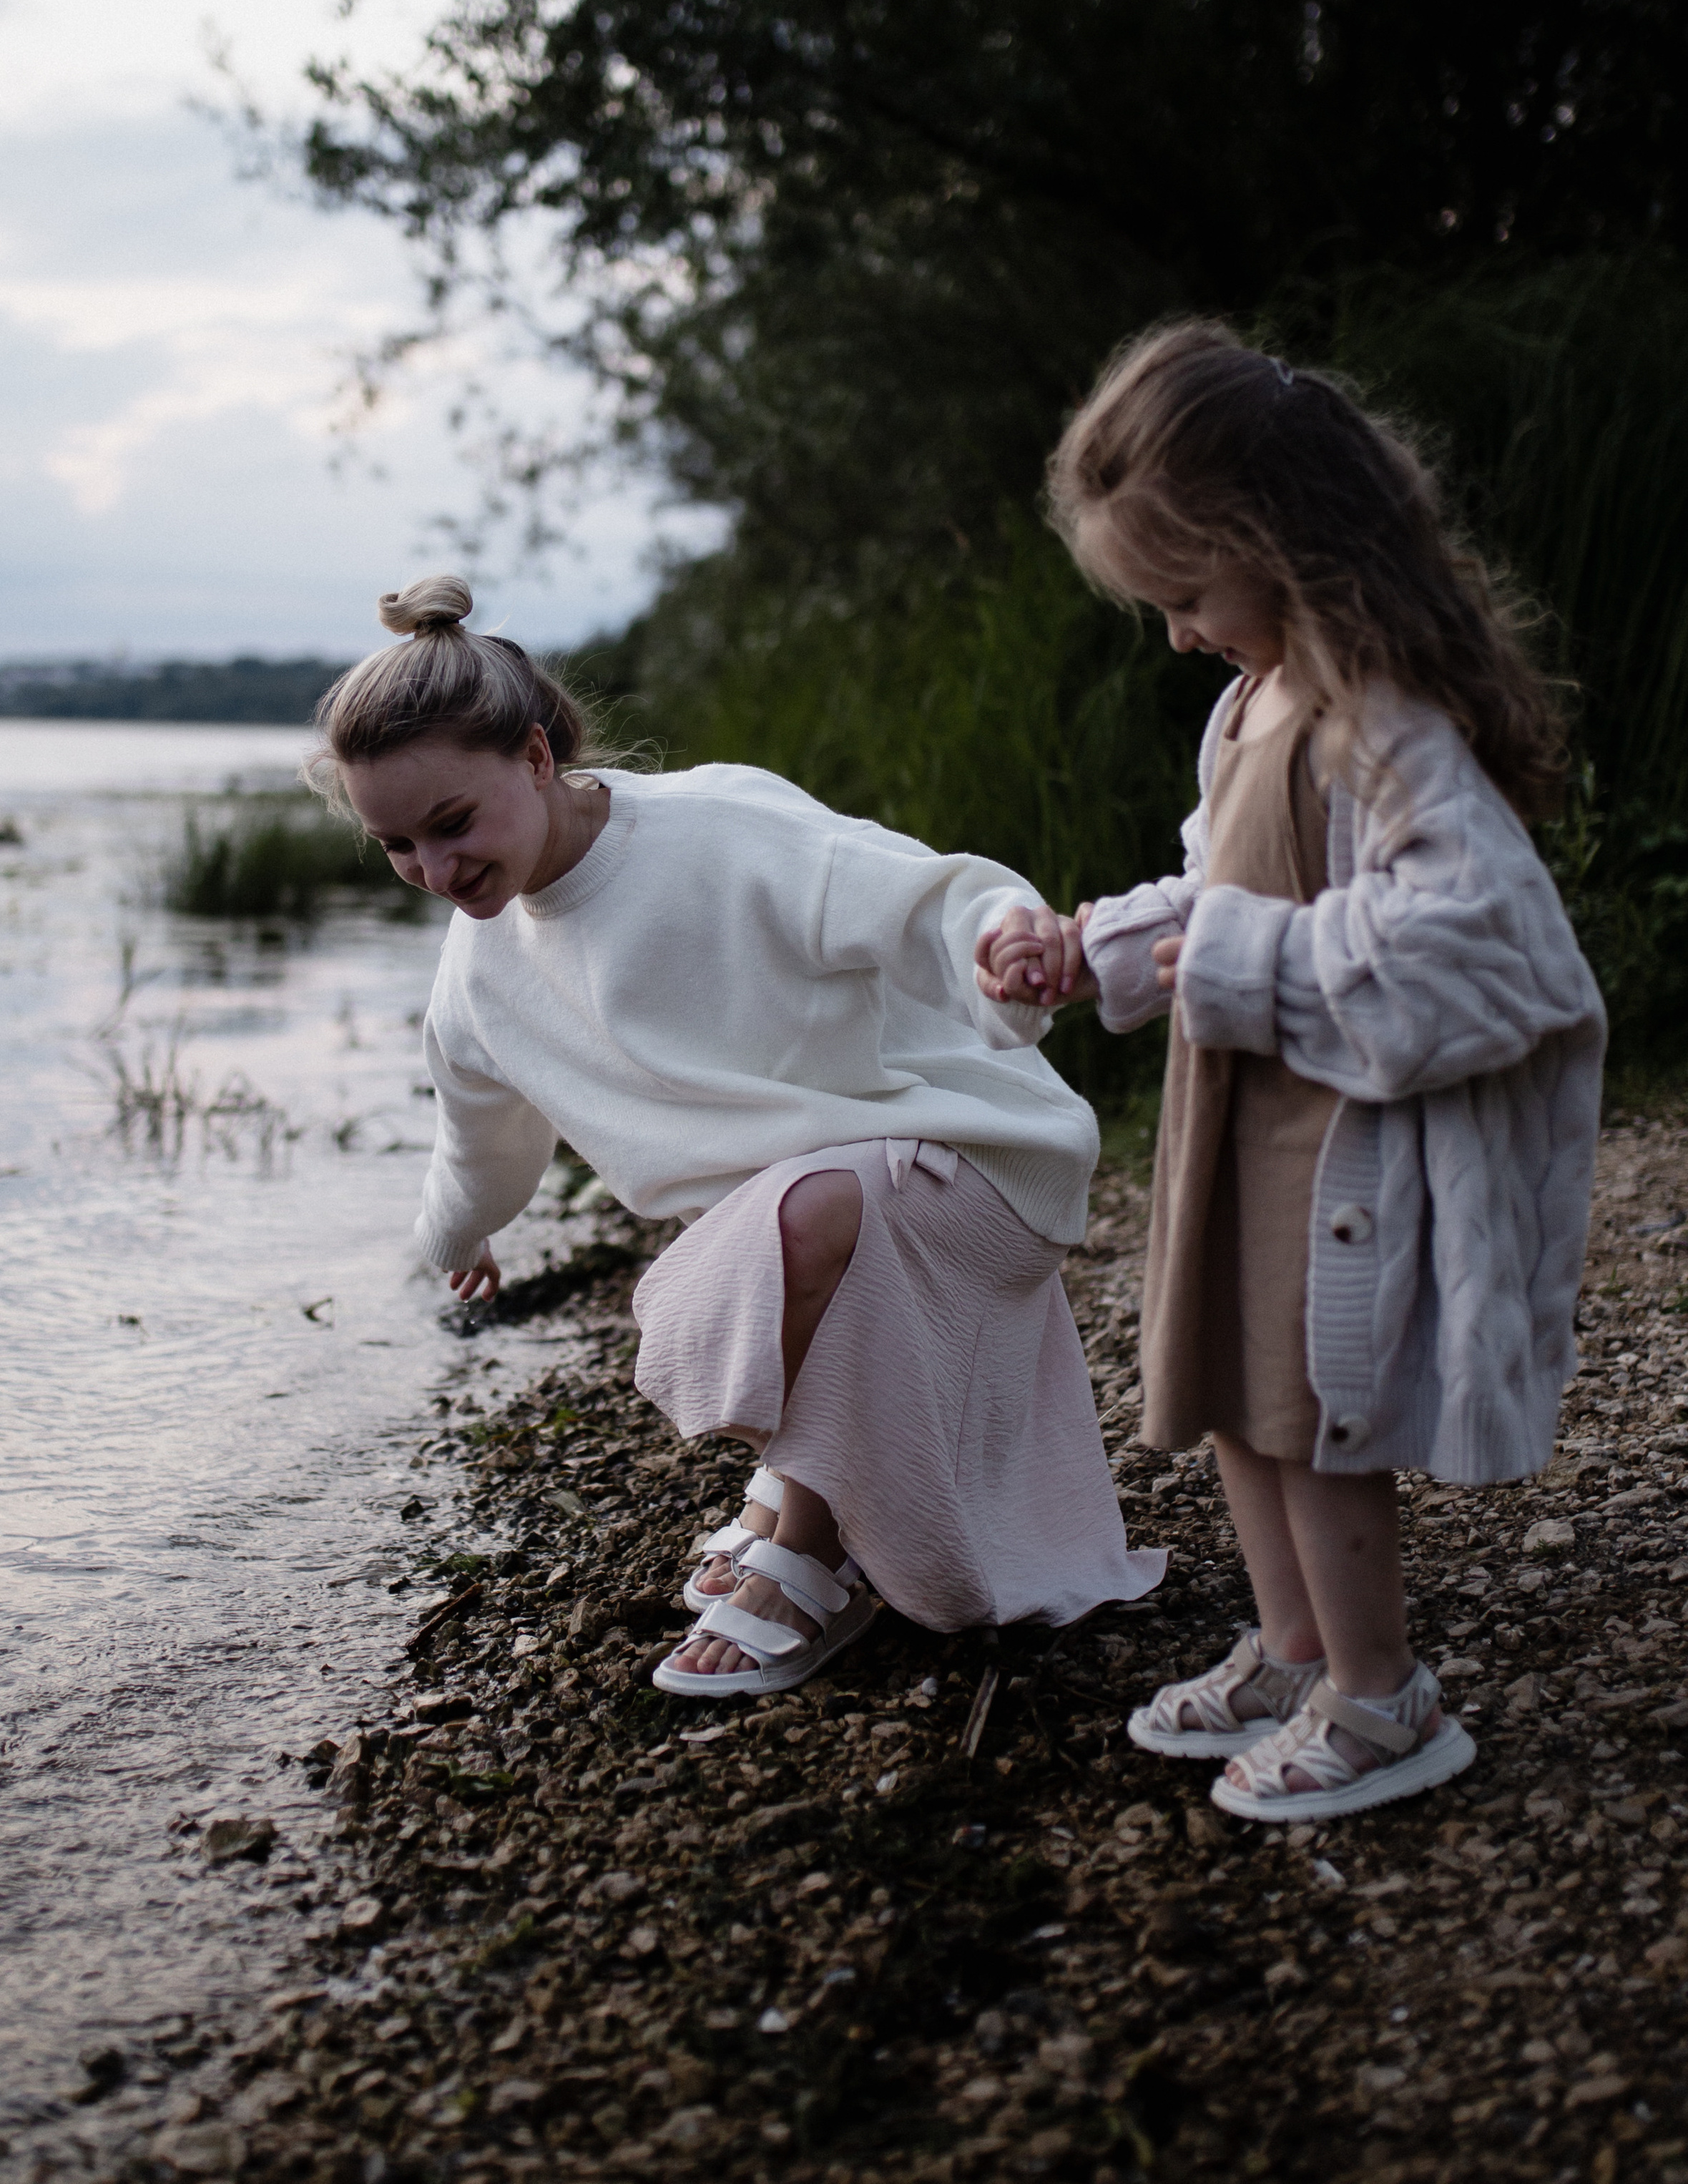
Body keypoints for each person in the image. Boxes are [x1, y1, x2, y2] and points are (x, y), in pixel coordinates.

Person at [310, 575, 1162, 1702]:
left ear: (532, 756)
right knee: (786, 1215)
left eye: (452, 822)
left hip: (977, 1167)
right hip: (824, 1209)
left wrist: (1004, 939)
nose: (433, 869)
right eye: (396, 846)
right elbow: (476, 1134)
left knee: (799, 1211)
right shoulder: (478, 976)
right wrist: (455, 1235)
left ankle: (809, 1541)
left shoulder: (714, 828)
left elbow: (920, 896)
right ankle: (803, 1498)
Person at [974, 321, 1605, 1821]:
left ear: (1283, 545)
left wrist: (1254, 969)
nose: (1180, 633)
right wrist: (1090, 951)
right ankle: (1290, 1642)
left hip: (1341, 1142)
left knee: (1313, 1414)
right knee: (1231, 1396)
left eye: (1187, 595)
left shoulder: (1376, 722)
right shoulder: (1246, 705)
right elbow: (1218, 884)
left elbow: (1489, 945)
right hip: (1237, 1118)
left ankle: (1382, 1700)